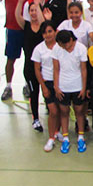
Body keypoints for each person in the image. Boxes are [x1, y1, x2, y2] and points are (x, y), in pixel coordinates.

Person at [0, 0, 46, 101]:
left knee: (28, 58)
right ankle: (8, 86)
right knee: (11, 59)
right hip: (12, 28)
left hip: (26, 28)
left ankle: (27, 84)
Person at [15, 0, 47, 131]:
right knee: (34, 93)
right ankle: (35, 119)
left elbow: (42, 20)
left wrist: (37, 3)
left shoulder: (43, 27)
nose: (34, 13)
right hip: (29, 67)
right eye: (31, 11)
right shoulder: (26, 25)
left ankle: (52, 115)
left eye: (36, 10)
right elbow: (17, 15)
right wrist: (21, 2)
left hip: (44, 67)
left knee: (48, 92)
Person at [52, 30, 88, 154]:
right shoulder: (57, 49)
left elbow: (83, 70)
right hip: (63, 86)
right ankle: (66, 137)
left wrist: (83, 88)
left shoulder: (81, 48)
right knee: (64, 112)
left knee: (79, 112)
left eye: (65, 44)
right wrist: (56, 86)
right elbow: (56, 69)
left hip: (77, 86)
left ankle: (81, 137)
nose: (63, 47)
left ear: (71, 40)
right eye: (61, 45)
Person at [32, 22, 61, 152]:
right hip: (48, 82)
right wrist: (43, 87)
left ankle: (58, 131)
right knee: (53, 111)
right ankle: (50, 138)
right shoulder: (39, 49)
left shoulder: (61, 46)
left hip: (61, 82)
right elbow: (37, 70)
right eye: (45, 32)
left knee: (61, 110)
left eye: (50, 31)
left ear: (55, 32)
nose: (48, 34)